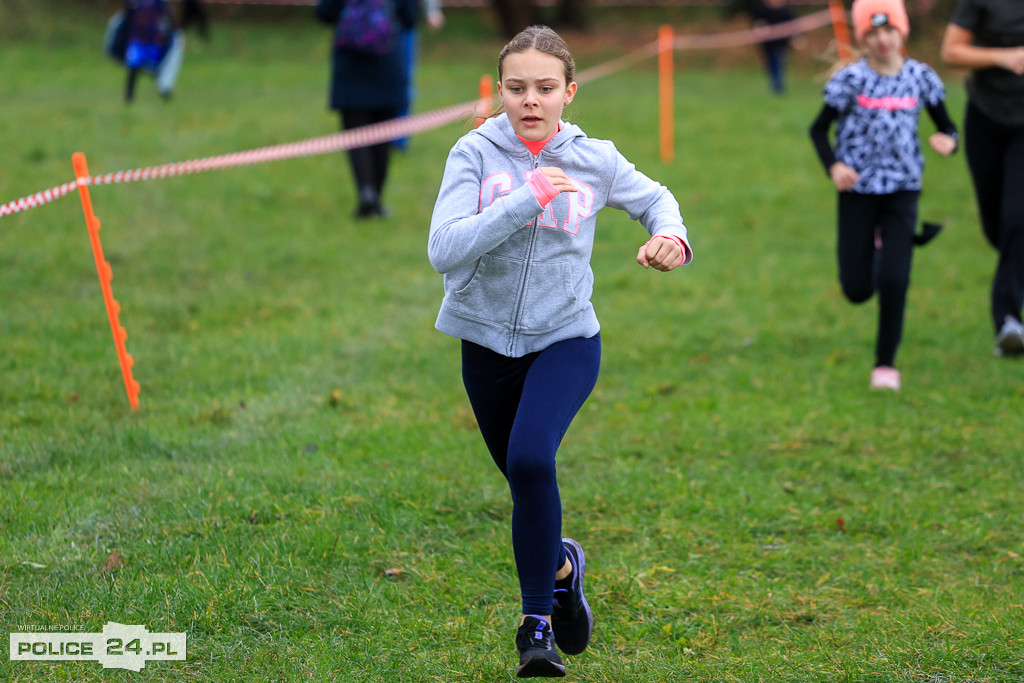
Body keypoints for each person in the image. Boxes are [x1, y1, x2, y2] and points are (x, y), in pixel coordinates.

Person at [427, 25, 693, 678]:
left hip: (567, 338)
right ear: (500, 90)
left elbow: (656, 200)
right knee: (525, 483)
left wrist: (671, 236)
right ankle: (564, 571)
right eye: (517, 87)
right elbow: (444, 249)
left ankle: (535, 625)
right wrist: (525, 199)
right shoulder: (473, 153)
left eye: (545, 88)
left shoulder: (593, 158)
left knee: (530, 458)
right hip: (485, 344)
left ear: (569, 92)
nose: (531, 100)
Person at [809, 0, 959, 391]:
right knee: (857, 290)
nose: (883, 39)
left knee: (895, 279)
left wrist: (949, 140)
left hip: (903, 190)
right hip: (858, 190)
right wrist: (834, 166)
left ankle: (885, 366)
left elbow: (948, 126)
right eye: (873, 33)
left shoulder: (920, 77)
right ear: (862, 38)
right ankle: (881, 248)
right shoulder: (851, 80)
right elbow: (817, 130)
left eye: (889, 29)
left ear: (902, 31)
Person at [940, 0, 1024, 358]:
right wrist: (1003, 57)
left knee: (1017, 218)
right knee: (997, 228)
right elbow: (950, 51)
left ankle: (1007, 321)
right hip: (986, 118)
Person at [315, 0, 417, 218]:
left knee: (355, 133)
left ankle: (366, 192)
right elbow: (410, 18)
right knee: (383, 134)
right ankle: (376, 197)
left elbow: (323, 13)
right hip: (387, 60)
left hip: (350, 63)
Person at [393, 0, 445, 151]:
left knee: (403, 82)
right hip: (369, 22)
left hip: (404, 22)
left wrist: (432, 10)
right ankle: (372, 136)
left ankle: (398, 140)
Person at [120, 0, 185, 103]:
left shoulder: (159, 2)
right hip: (137, 39)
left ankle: (164, 89)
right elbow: (127, 16)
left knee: (158, 68)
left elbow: (166, 17)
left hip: (153, 40)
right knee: (133, 66)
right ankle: (129, 95)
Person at [748, 0, 798, 94]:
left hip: (781, 43)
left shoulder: (786, 10)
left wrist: (797, 37)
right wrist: (759, 27)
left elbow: (794, 24)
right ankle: (776, 84)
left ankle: (778, 87)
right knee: (770, 64)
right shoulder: (761, 8)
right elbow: (756, 22)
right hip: (767, 44)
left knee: (778, 62)